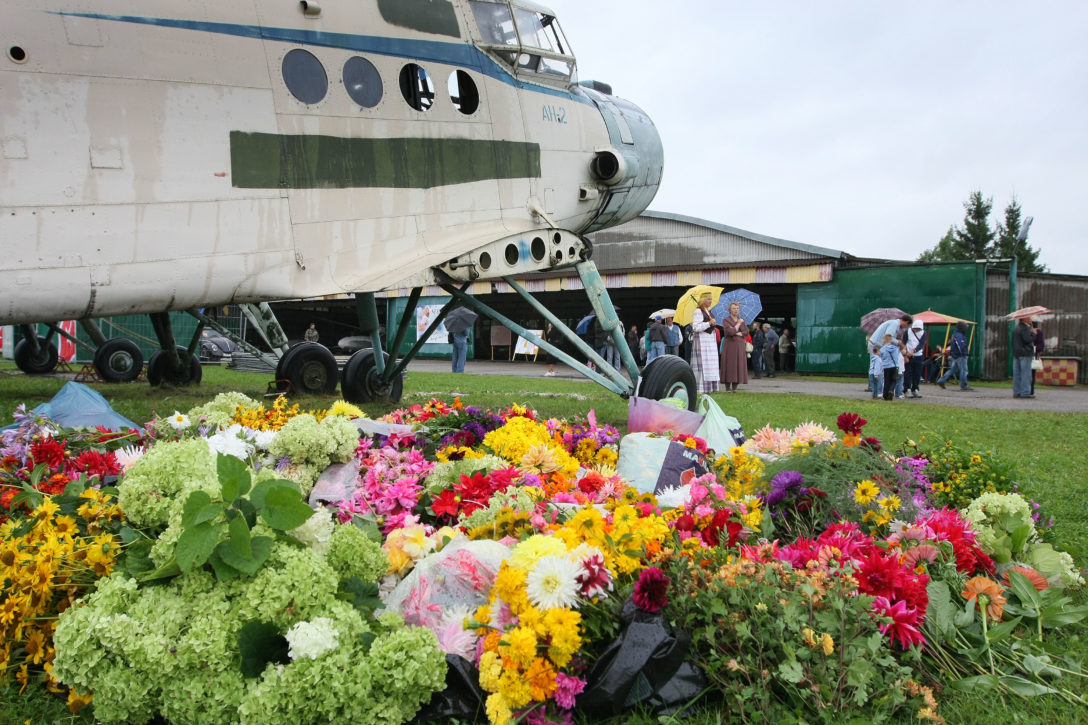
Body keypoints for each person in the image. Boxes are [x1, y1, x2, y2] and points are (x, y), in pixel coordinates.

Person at [690, 293, 720, 393]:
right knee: (704, 363)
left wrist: (712, 323)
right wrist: (709, 323)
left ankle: (711, 387)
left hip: (710, 340)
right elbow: (696, 327)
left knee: (711, 364)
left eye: (711, 299)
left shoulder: (708, 312)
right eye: (708, 299)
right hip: (703, 341)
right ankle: (702, 387)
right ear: (703, 300)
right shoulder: (698, 311)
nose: (710, 301)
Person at [719, 302, 749, 392]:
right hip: (730, 346)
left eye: (737, 308)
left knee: (738, 365)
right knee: (729, 365)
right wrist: (738, 325)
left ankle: (735, 388)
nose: (736, 310)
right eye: (733, 308)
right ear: (730, 310)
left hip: (740, 346)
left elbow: (746, 332)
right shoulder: (726, 320)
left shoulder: (742, 319)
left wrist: (738, 331)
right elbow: (730, 332)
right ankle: (727, 388)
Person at [936, 321, 972, 390]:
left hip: (955, 355)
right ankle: (964, 385)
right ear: (962, 327)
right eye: (965, 327)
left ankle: (941, 381)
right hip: (960, 356)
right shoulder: (959, 335)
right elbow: (960, 345)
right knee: (964, 370)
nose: (966, 328)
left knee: (953, 369)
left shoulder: (956, 334)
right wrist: (963, 353)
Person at [1012, 317, 1035, 398]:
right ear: (1024, 319)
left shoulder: (1016, 328)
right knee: (1026, 374)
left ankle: (1016, 392)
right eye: (1028, 318)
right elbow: (1028, 340)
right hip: (1025, 353)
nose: (1030, 319)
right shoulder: (1025, 328)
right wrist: (1033, 333)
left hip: (1017, 353)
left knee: (1017, 374)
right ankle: (1025, 392)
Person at [903, 320, 926, 398]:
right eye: (915, 328)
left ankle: (915, 389)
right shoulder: (907, 332)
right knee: (907, 373)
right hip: (908, 355)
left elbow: (921, 344)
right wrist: (905, 354)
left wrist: (914, 350)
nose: (916, 330)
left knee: (917, 373)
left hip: (918, 355)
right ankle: (907, 389)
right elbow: (904, 342)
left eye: (918, 329)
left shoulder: (923, 333)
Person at [880, 333, 902, 401]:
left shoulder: (882, 349)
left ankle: (885, 395)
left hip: (886, 367)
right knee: (894, 380)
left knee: (887, 381)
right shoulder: (895, 348)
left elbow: (882, 357)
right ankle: (891, 390)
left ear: (884, 341)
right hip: (895, 366)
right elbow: (897, 356)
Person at [1031, 320, 1045, 395]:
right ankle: (1030, 390)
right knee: (1032, 374)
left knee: (1031, 373)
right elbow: (1041, 346)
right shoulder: (1039, 333)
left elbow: (1041, 345)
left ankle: (1030, 390)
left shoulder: (1038, 333)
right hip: (1034, 354)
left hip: (1033, 355)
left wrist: (1034, 348)